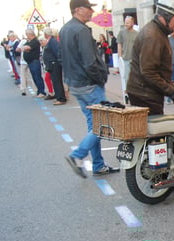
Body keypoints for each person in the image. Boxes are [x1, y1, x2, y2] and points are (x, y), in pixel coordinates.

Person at [61, 0, 118, 178]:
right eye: (88, 8)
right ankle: (77, 155)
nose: (92, 11)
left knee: (93, 125)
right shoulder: (81, 30)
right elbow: (89, 62)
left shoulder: (65, 29)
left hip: (76, 83)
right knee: (103, 124)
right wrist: (101, 77)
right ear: (78, 10)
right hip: (89, 84)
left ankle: (98, 165)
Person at [126, 0, 174, 115]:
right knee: (153, 126)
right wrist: (171, 90)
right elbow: (148, 72)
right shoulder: (153, 36)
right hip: (145, 95)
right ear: (165, 17)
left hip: (146, 93)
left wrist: (171, 88)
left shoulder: (158, 32)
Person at [42, 27, 67, 105]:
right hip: (52, 64)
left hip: (54, 64)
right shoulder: (50, 41)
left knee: (57, 82)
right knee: (55, 81)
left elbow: (57, 52)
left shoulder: (52, 41)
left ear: (46, 34)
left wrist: (56, 62)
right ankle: (58, 96)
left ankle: (61, 98)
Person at [117, 16, 138, 104]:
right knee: (126, 78)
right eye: (125, 22)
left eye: (128, 22)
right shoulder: (121, 33)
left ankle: (135, 94)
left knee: (135, 77)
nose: (126, 24)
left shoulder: (137, 33)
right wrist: (120, 57)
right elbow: (119, 45)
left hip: (135, 59)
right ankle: (127, 95)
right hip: (125, 59)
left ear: (132, 23)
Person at [20, 29, 46, 98]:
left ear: (30, 34)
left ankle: (42, 92)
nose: (26, 36)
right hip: (30, 62)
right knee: (34, 77)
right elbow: (22, 47)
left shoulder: (35, 41)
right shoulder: (28, 41)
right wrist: (25, 48)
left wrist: (25, 48)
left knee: (37, 76)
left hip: (34, 61)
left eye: (27, 34)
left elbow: (27, 48)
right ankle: (38, 91)